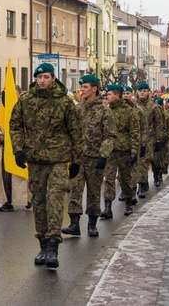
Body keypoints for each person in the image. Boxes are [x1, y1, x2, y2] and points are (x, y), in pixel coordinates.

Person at [9, 63, 83, 268]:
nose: (42, 80)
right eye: (39, 77)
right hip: (35, 160)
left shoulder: (65, 103)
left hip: (58, 159)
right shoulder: (25, 101)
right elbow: (15, 126)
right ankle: (42, 244)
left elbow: (77, 133)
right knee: (39, 202)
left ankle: (53, 246)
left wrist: (76, 161)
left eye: (46, 77)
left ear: (53, 78)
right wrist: (18, 150)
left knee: (55, 200)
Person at [62, 75, 115, 238]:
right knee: (75, 190)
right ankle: (74, 224)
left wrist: (103, 155)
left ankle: (92, 224)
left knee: (93, 192)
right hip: (78, 158)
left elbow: (110, 135)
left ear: (94, 89)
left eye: (85, 87)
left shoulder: (105, 110)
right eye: (81, 87)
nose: (82, 90)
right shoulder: (78, 109)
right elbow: (70, 132)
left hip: (95, 158)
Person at [101, 84, 139, 220]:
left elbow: (134, 132)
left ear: (117, 96)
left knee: (125, 178)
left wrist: (134, 151)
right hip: (109, 150)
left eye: (110, 94)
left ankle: (128, 201)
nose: (107, 97)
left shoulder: (129, 110)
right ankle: (107, 207)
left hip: (124, 149)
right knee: (109, 178)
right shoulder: (106, 110)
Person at [0, 85, 30, 212]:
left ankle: (27, 198)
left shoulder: (25, 108)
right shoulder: (3, 111)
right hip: (6, 148)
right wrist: (1, 137)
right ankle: (8, 201)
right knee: (6, 176)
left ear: (19, 94)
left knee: (23, 175)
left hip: (22, 147)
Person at [135, 83, 167, 189]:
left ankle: (157, 175)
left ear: (149, 92)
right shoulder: (134, 106)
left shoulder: (154, 106)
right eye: (140, 91)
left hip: (152, 137)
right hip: (139, 138)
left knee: (155, 160)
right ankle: (142, 184)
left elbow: (159, 124)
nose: (142, 93)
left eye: (145, 91)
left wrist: (159, 140)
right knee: (142, 161)